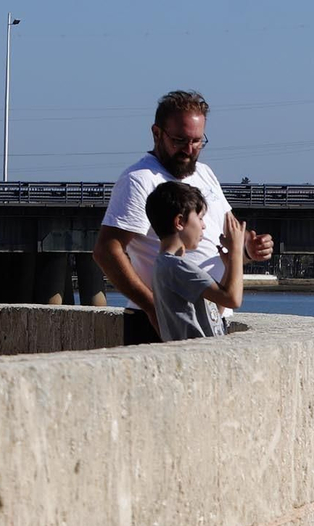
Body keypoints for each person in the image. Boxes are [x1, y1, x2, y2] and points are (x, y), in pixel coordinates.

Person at [93, 89, 273, 344]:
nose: (189, 149)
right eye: (180, 140)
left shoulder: (205, 174)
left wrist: (248, 250)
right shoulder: (140, 179)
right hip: (162, 322)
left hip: (210, 318)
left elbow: (227, 241)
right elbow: (106, 251)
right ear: (157, 133)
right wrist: (153, 308)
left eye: (197, 141)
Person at [145, 181, 245, 341]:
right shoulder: (177, 266)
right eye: (200, 218)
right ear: (179, 222)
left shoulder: (165, 265)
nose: (203, 226)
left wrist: (228, 268)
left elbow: (214, 313)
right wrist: (237, 251)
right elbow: (233, 299)